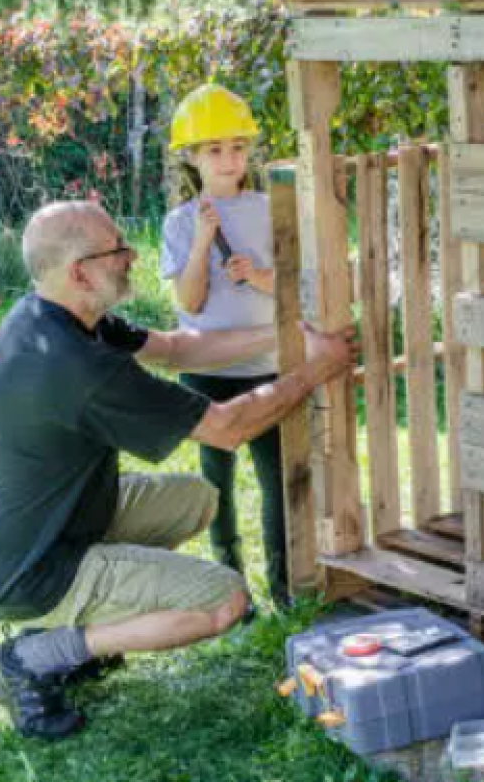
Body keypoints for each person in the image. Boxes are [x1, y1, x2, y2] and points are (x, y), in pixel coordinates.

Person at [0, 199, 353, 740]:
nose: (131, 256)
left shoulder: (54, 316)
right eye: (117, 249)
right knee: (224, 599)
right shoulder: (75, 366)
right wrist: (314, 371)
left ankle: (87, 625)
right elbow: (226, 427)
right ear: (79, 272)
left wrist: (285, 339)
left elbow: (175, 348)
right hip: (30, 573)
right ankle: (33, 655)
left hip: (37, 534)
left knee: (196, 498)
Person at [159, 83, 289, 606]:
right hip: (207, 373)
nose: (229, 159)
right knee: (217, 487)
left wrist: (258, 278)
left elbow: (298, 286)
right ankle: (231, 586)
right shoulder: (180, 222)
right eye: (214, 149)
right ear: (192, 158)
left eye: (237, 147)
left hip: (267, 369)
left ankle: (284, 588)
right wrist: (202, 244)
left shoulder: (270, 208)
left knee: (276, 483)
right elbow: (189, 302)